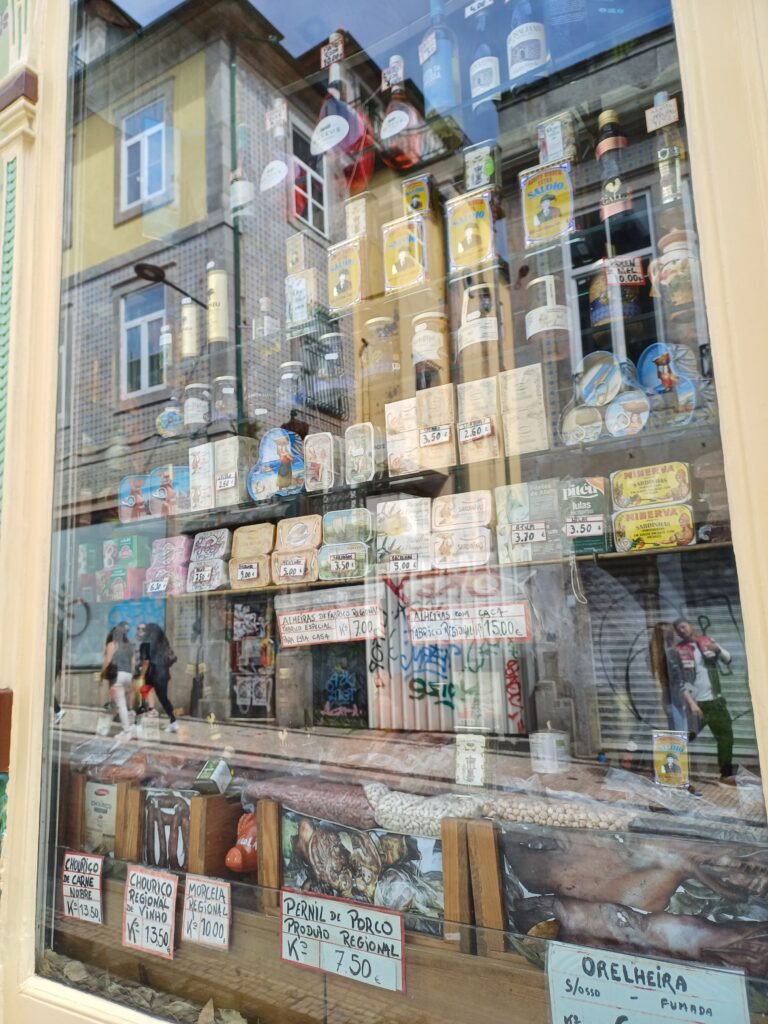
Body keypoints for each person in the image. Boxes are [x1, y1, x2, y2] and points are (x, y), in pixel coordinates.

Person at [669, 618, 735, 779]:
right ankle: (670, 771)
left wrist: (717, 648)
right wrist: (691, 704)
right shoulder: (678, 651)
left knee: (726, 738)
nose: (682, 631)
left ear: (691, 626)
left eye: (683, 627)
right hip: (697, 705)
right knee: (685, 738)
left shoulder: (707, 642)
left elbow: (728, 659)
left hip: (716, 702)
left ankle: (726, 775)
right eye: (678, 629)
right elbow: (679, 682)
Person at [138, 623, 178, 733]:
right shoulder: (163, 644)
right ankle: (174, 722)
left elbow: (146, 662)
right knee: (164, 699)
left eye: (145, 630)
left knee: (142, 698)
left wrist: (141, 676)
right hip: (163, 674)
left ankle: (138, 724)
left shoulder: (146, 644)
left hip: (151, 675)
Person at [648, 621, 687, 732]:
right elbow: (678, 678)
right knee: (680, 732)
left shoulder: (656, 653)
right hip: (677, 699)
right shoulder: (670, 653)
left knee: (676, 731)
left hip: (668, 699)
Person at [100, 622, 134, 736]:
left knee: (121, 704)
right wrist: (131, 680)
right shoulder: (129, 645)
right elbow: (133, 662)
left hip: (117, 675)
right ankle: (125, 724)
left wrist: (102, 673)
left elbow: (108, 661)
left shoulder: (112, 644)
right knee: (118, 702)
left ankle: (126, 730)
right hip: (128, 674)